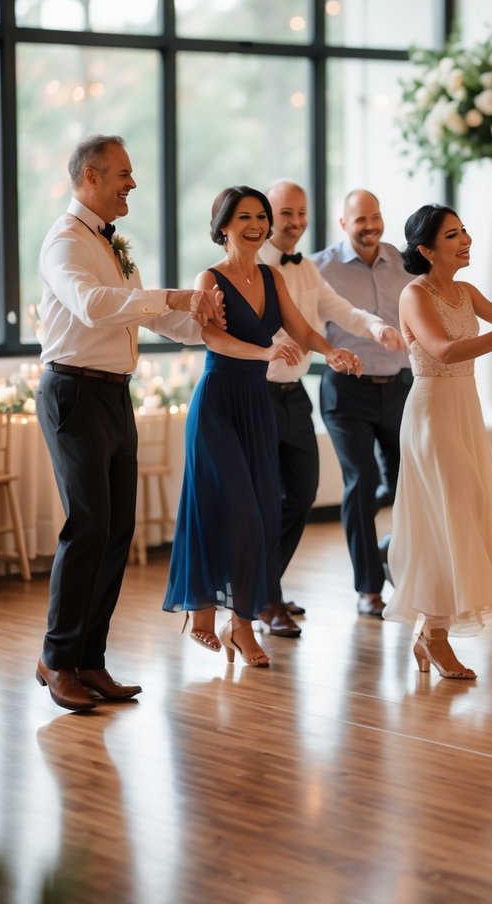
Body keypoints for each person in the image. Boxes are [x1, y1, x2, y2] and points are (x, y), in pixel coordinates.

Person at [35, 133, 226, 713]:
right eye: (123, 173)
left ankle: (90, 659)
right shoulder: (65, 242)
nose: (133, 184)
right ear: (90, 177)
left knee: (118, 529)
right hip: (73, 392)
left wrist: (210, 325)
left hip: (115, 395)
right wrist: (172, 293)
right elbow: (93, 305)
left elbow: (149, 315)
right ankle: (55, 657)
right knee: (88, 526)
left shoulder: (113, 245)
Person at [162, 186, 363, 666]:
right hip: (217, 405)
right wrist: (265, 352)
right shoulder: (208, 277)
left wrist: (331, 351)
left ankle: (232, 622)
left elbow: (301, 329)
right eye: (244, 216)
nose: (256, 224)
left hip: (257, 404)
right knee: (235, 512)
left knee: (262, 515)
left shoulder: (273, 276)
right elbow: (212, 337)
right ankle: (220, 615)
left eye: (261, 216)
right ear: (224, 225)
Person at [383, 204, 492, 679]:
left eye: (464, 230)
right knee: (448, 516)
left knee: (466, 511)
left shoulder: (465, 291)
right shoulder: (415, 294)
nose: (465, 239)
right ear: (426, 249)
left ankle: (431, 635)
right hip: (432, 413)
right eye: (453, 234)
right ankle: (435, 638)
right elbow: (444, 349)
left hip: (464, 408)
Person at [258, 179, 404, 632]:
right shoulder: (255, 266)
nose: (297, 222)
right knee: (269, 499)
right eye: (287, 214)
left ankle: (266, 589)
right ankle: (264, 598)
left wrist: (375, 327)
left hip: (299, 393)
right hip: (260, 393)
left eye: (302, 213)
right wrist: (329, 352)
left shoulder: (305, 269)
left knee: (300, 495)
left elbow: (338, 308)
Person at [311, 190, 411, 618]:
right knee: (361, 479)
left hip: (400, 386)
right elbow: (299, 324)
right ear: (343, 223)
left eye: (375, 217)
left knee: (407, 480)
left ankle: (393, 553)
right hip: (346, 390)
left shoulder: (404, 261)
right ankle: (369, 588)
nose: (370, 227)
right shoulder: (319, 268)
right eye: (360, 221)